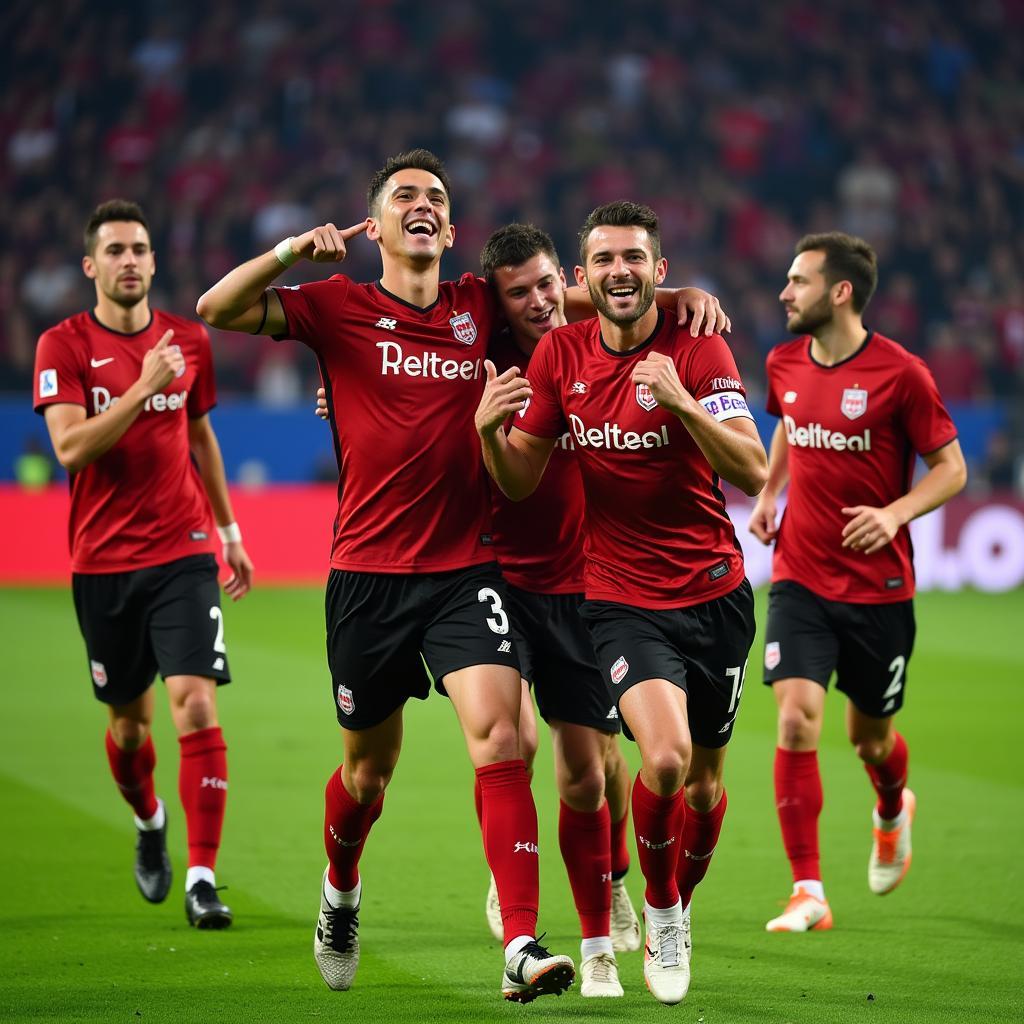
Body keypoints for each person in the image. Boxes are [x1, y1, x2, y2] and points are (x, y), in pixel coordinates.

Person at [199, 150, 724, 1000]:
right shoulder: (337, 307)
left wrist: (675, 300)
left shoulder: (478, 305)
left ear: (450, 230)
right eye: (404, 195)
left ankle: (520, 942)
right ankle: (341, 889)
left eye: (436, 198)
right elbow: (216, 307)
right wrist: (296, 249)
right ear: (375, 225)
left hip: (465, 569)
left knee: (505, 738)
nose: (423, 204)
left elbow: (564, 297)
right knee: (367, 775)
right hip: (365, 574)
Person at [477, 201, 767, 1005]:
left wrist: (678, 403)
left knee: (703, 785)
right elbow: (522, 476)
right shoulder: (560, 355)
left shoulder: (699, 348)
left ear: (658, 270)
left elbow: (753, 467)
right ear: (584, 279)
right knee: (663, 760)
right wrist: (484, 435)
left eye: (633, 258)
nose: (619, 272)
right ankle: (663, 912)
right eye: (603, 260)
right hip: (617, 599)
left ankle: (675, 895)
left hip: (714, 593)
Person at [33, 199, 253, 929]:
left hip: (183, 551)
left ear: (155, 262)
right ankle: (150, 820)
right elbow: (70, 449)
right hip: (101, 562)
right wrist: (139, 390)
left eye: (141, 249)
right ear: (92, 266)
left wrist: (228, 529)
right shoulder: (60, 347)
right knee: (130, 730)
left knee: (194, 701)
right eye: (116, 250)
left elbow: (202, 438)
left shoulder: (189, 339)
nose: (130, 261)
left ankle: (201, 876)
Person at [748, 232, 967, 932]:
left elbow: (951, 467)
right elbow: (787, 420)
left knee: (870, 740)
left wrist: (896, 513)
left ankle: (892, 804)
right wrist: (769, 493)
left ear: (839, 292)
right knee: (794, 718)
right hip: (801, 576)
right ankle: (808, 890)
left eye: (798, 281)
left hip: (878, 590)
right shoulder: (783, 359)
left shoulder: (901, 374)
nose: (784, 292)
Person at [478, 223, 639, 997]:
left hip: (588, 581)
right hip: (498, 578)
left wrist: (691, 296)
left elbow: (638, 297)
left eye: (550, 285)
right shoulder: (474, 355)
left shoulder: (592, 339)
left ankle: (613, 878)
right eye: (520, 292)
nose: (541, 302)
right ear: (496, 299)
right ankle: (519, 894)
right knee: (513, 741)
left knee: (600, 770)